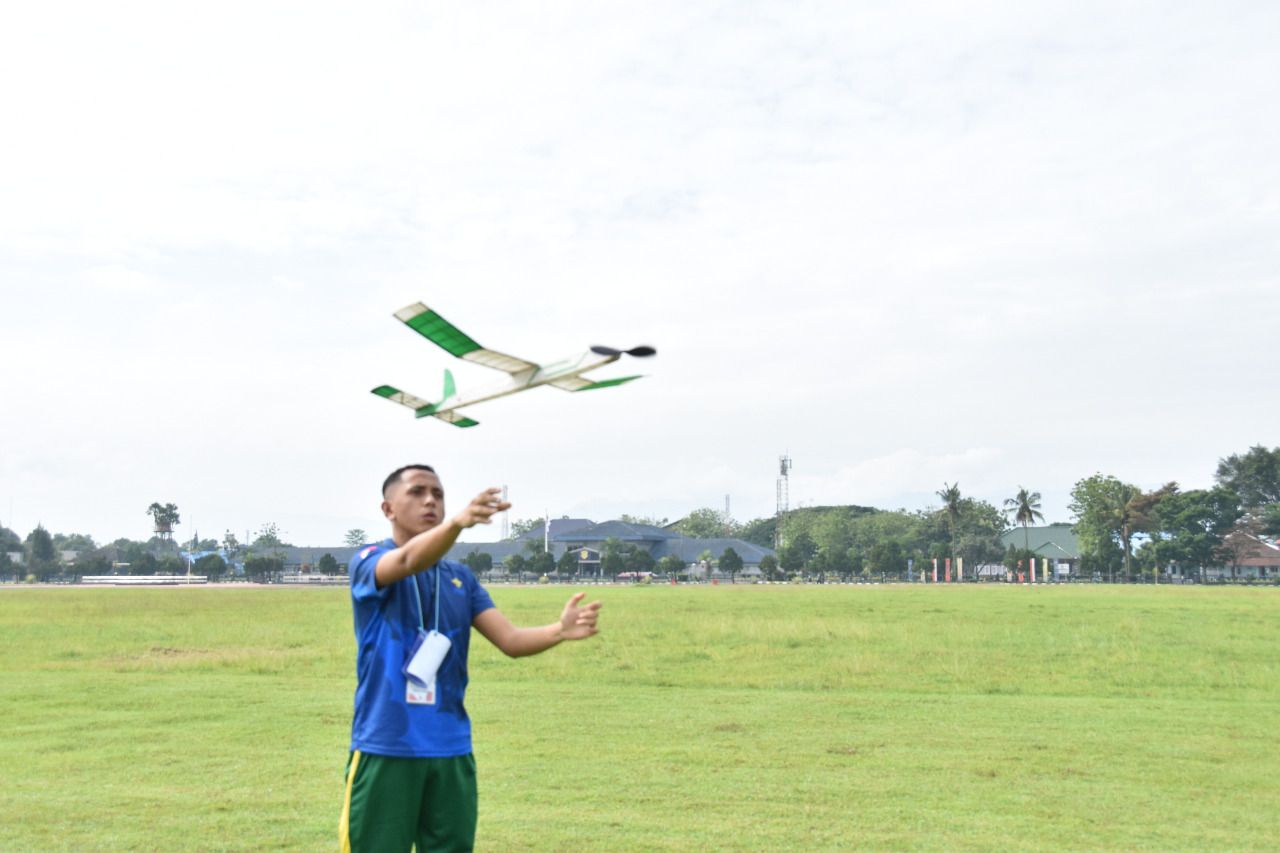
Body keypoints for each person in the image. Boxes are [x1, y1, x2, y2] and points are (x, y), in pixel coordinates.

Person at [339, 464, 602, 852]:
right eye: (417, 492)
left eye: (439, 494)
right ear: (388, 509)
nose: (431, 500)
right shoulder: (368, 560)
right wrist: (458, 524)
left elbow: (510, 640)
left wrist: (558, 631)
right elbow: (408, 561)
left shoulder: (461, 578)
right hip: (385, 745)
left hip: (451, 748)